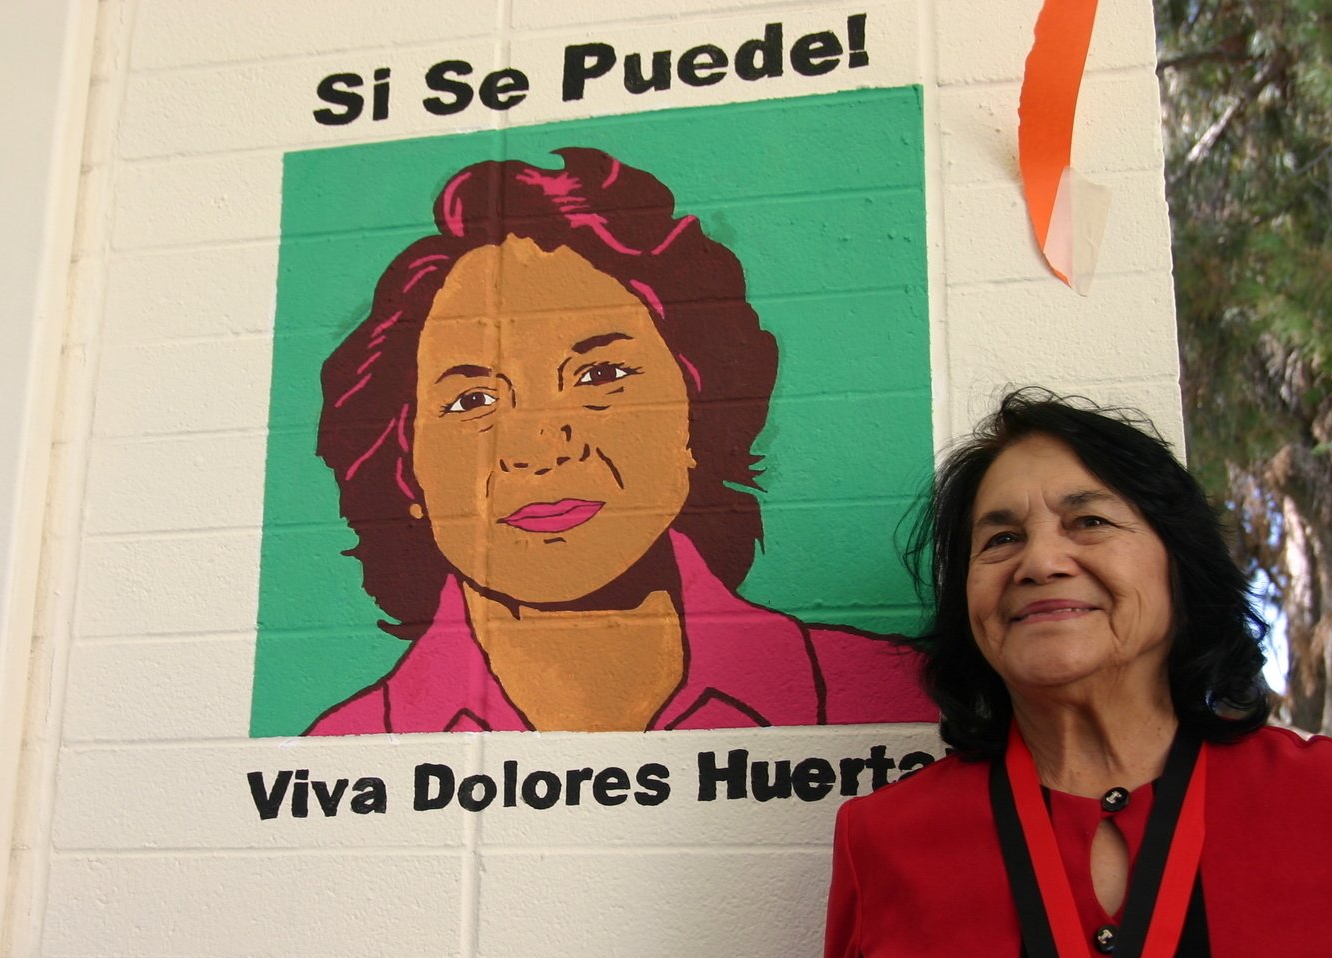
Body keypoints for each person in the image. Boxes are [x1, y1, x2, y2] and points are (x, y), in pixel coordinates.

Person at [810, 389, 1332, 958]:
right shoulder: (882, 841)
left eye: (1089, 522)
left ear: (1179, 565)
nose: (1040, 562)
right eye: (1000, 540)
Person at [305, 147, 934, 734]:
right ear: (405, 470)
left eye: (600, 375)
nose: (538, 448)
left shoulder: (898, 703)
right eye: (474, 401)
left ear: (696, 413)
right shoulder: (343, 758)